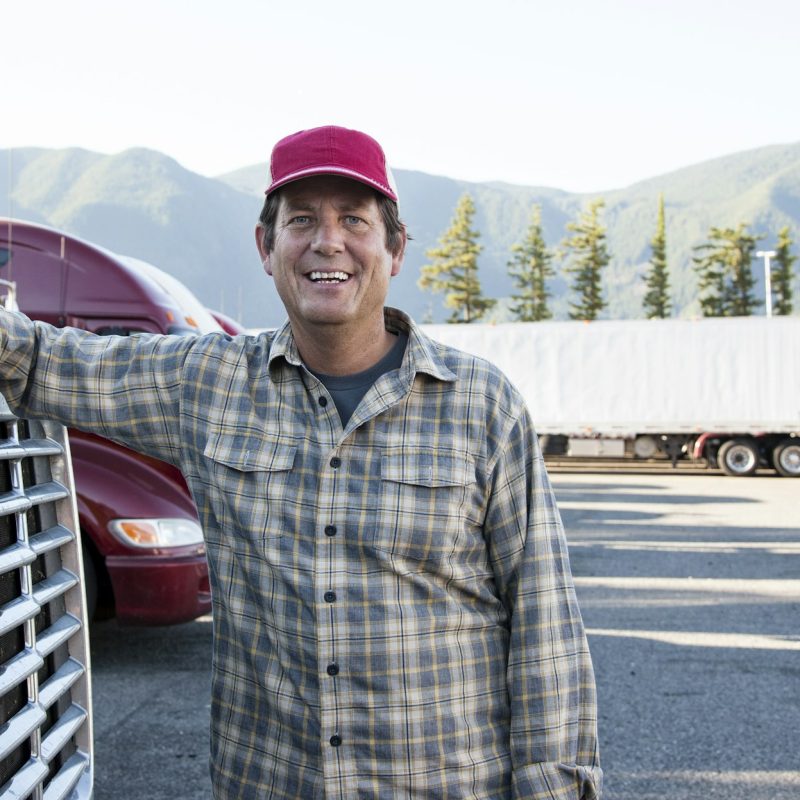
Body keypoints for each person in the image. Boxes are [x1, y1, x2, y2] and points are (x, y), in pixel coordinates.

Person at [0, 126, 602, 799]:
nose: (328, 242)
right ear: (267, 246)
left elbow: (545, 623)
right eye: (302, 220)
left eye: (354, 220)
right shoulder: (207, 384)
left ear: (395, 248)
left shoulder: (481, 406)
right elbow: (40, 364)